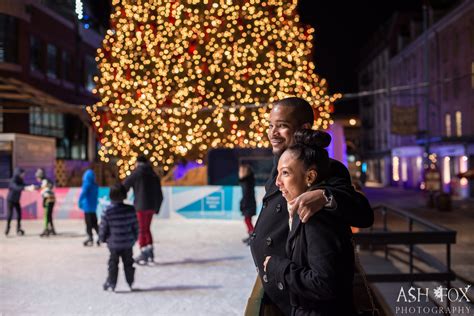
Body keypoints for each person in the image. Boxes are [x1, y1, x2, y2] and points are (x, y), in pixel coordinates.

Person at [248, 97, 373, 315]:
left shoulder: (327, 168)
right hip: (283, 292)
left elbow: (363, 213)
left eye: (282, 126)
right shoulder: (280, 165)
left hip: (301, 297)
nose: (272, 133)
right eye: (270, 125)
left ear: (303, 128)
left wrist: (326, 196)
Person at [263, 129, 355, 316]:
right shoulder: (300, 209)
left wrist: (277, 267)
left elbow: (324, 284)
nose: (278, 181)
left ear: (310, 177)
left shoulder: (315, 217)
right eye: (279, 173)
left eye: (285, 173)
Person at [123, 155, 163, 264]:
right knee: (146, 229)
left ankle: (143, 252)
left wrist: (118, 195)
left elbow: (125, 185)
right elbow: (160, 194)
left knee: (142, 229)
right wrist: (157, 207)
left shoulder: (137, 173)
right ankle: (149, 252)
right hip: (151, 206)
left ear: (138, 163)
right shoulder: (154, 174)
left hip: (141, 206)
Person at [99, 183, 138, 292]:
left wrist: (102, 238)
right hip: (127, 243)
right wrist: (135, 238)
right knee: (128, 262)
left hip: (114, 243)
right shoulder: (130, 210)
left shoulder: (107, 211)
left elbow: (103, 227)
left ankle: (112, 282)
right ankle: (130, 281)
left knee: (113, 263)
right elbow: (135, 226)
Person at [5, 168, 33, 236]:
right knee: (10, 214)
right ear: (18, 173)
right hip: (10, 200)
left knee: (19, 214)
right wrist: (25, 188)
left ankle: (18, 228)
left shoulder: (20, 180)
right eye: (22, 174)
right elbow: (16, 188)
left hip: (17, 200)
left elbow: (24, 185)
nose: (23, 175)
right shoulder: (13, 180)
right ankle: (7, 228)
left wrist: (31, 187)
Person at [78, 169, 100, 246]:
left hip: (87, 207)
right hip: (93, 207)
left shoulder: (86, 184)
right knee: (95, 223)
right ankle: (100, 236)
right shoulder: (95, 185)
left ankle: (90, 237)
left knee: (88, 224)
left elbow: (83, 194)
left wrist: (80, 202)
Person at [239, 163, 257, 245]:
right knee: (247, 220)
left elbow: (246, 194)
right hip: (249, 203)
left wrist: (243, 204)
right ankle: (251, 235)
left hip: (248, 203)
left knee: (247, 220)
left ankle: (253, 236)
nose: (239, 172)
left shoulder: (246, 182)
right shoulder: (247, 181)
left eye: (241, 171)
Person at [35, 168, 56, 237]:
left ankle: (46, 229)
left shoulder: (44, 181)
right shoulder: (47, 180)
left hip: (48, 199)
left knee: (46, 215)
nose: (36, 179)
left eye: (37, 177)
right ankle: (52, 229)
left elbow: (44, 189)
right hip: (51, 199)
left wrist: (35, 188)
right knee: (49, 215)